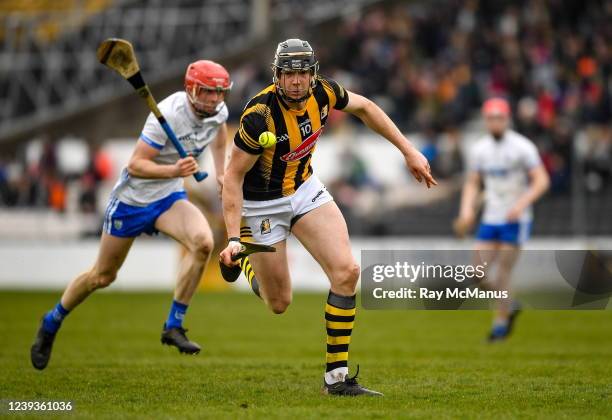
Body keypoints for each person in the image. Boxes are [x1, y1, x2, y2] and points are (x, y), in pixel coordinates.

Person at [219, 39, 436, 396]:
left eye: (302, 73)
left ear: (312, 74)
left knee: (347, 272)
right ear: (277, 75)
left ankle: (336, 379)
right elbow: (233, 178)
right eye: (288, 74)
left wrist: (408, 150)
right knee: (279, 303)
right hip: (261, 205)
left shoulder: (324, 92)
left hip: (305, 190)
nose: (296, 81)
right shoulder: (259, 116)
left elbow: (365, 107)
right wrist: (230, 237)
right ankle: (240, 259)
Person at [30, 60, 232, 370]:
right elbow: (135, 164)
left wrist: (220, 173)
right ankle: (51, 322)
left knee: (203, 242)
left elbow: (219, 135)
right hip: (132, 201)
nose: (215, 99)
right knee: (102, 276)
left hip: (168, 198)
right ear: (191, 89)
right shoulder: (167, 115)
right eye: (208, 92)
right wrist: (173, 169)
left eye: (220, 93)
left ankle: (173, 325)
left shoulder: (218, 112)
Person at [454, 98, 550, 342]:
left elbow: (542, 181)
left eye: (499, 118)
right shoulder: (480, 149)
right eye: (490, 118)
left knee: (504, 271)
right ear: (486, 121)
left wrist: (521, 204)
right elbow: (473, 183)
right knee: (477, 274)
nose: (495, 122)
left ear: (507, 120)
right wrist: (466, 211)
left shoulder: (522, 147)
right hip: (491, 216)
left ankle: (500, 322)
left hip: (515, 219)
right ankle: (510, 303)